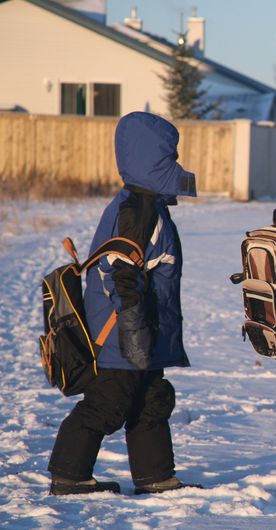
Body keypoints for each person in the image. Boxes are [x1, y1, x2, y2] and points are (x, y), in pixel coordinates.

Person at [47, 112, 202, 495]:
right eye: (170, 154)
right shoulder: (138, 210)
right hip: (124, 329)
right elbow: (124, 274)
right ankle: (69, 474)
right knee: (108, 401)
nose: (176, 162)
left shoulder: (142, 202)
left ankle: (155, 476)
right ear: (153, 158)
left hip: (141, 328)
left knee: (152, 398)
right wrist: (134, 334)